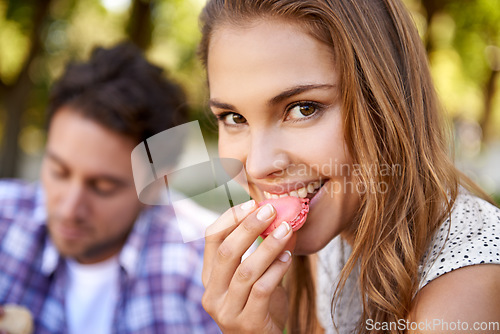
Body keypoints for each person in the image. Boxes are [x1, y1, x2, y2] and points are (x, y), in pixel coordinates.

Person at [197, 0, 500, 333]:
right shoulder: (332, 231)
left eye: (304, 108)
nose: (257, 166)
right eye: (234, 118)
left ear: (387, 102)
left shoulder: (466, 290)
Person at [0, 43, 221, 333]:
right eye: (59, 172)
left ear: (157, 185)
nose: (69, 209)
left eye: (102, 187)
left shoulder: (204, 267)